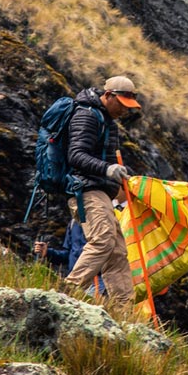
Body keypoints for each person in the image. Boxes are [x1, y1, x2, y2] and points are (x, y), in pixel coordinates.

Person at [62, 75, 143, 301]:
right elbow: (75, 155)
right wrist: (108, 169)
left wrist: (116, 177)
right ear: (108, 96)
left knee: (117, 252)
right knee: (104, 240)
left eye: (129, 107)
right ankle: (68, 291)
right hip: (84, 189)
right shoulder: (87, 116)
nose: (125, 111)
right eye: (122, 104)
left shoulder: (107, 120)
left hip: (101, 192)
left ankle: (124, 311)